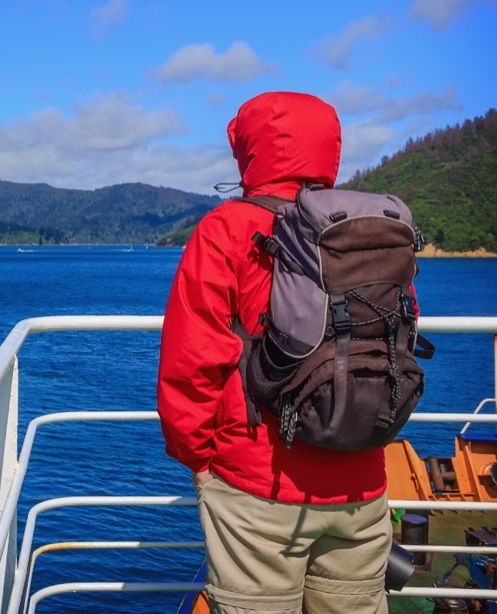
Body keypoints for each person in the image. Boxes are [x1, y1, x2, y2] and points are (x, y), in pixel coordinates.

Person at [157, 91, 392, 614]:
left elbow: (191, 363)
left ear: (247, 147)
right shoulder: (369, 229)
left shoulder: (227, 229)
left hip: (257, 486)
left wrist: (200, 461)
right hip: (362, 477)